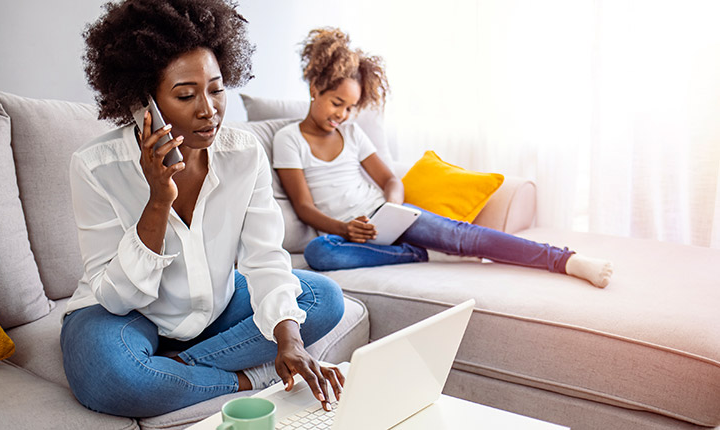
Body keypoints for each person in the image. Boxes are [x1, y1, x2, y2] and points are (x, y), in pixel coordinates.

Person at [61, 0, 344, 418]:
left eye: (216, 89)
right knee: (111, 377)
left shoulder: (244, 154)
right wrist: (159, 200)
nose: (208, 110)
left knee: (324, 298)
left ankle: (177, 370)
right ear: (145, 103)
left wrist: (290, 341)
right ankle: (247, 378)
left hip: (213, 307)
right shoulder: (94, 167)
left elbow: (264, 259)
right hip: (120, 313)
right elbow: (117, 298)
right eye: (185, 95)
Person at [273, 27, 613, 289]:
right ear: (315, 87)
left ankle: (563, 259)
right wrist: (345, 228)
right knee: (319, 253)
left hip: (385, 217)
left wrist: (394, 207)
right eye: (336, 103)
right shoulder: (289, 139)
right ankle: (414, 253)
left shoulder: (352, 134)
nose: (343, 115)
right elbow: (304, 207)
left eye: (350, 108)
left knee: (464, 236)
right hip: (345, 234)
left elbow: (390, 180)